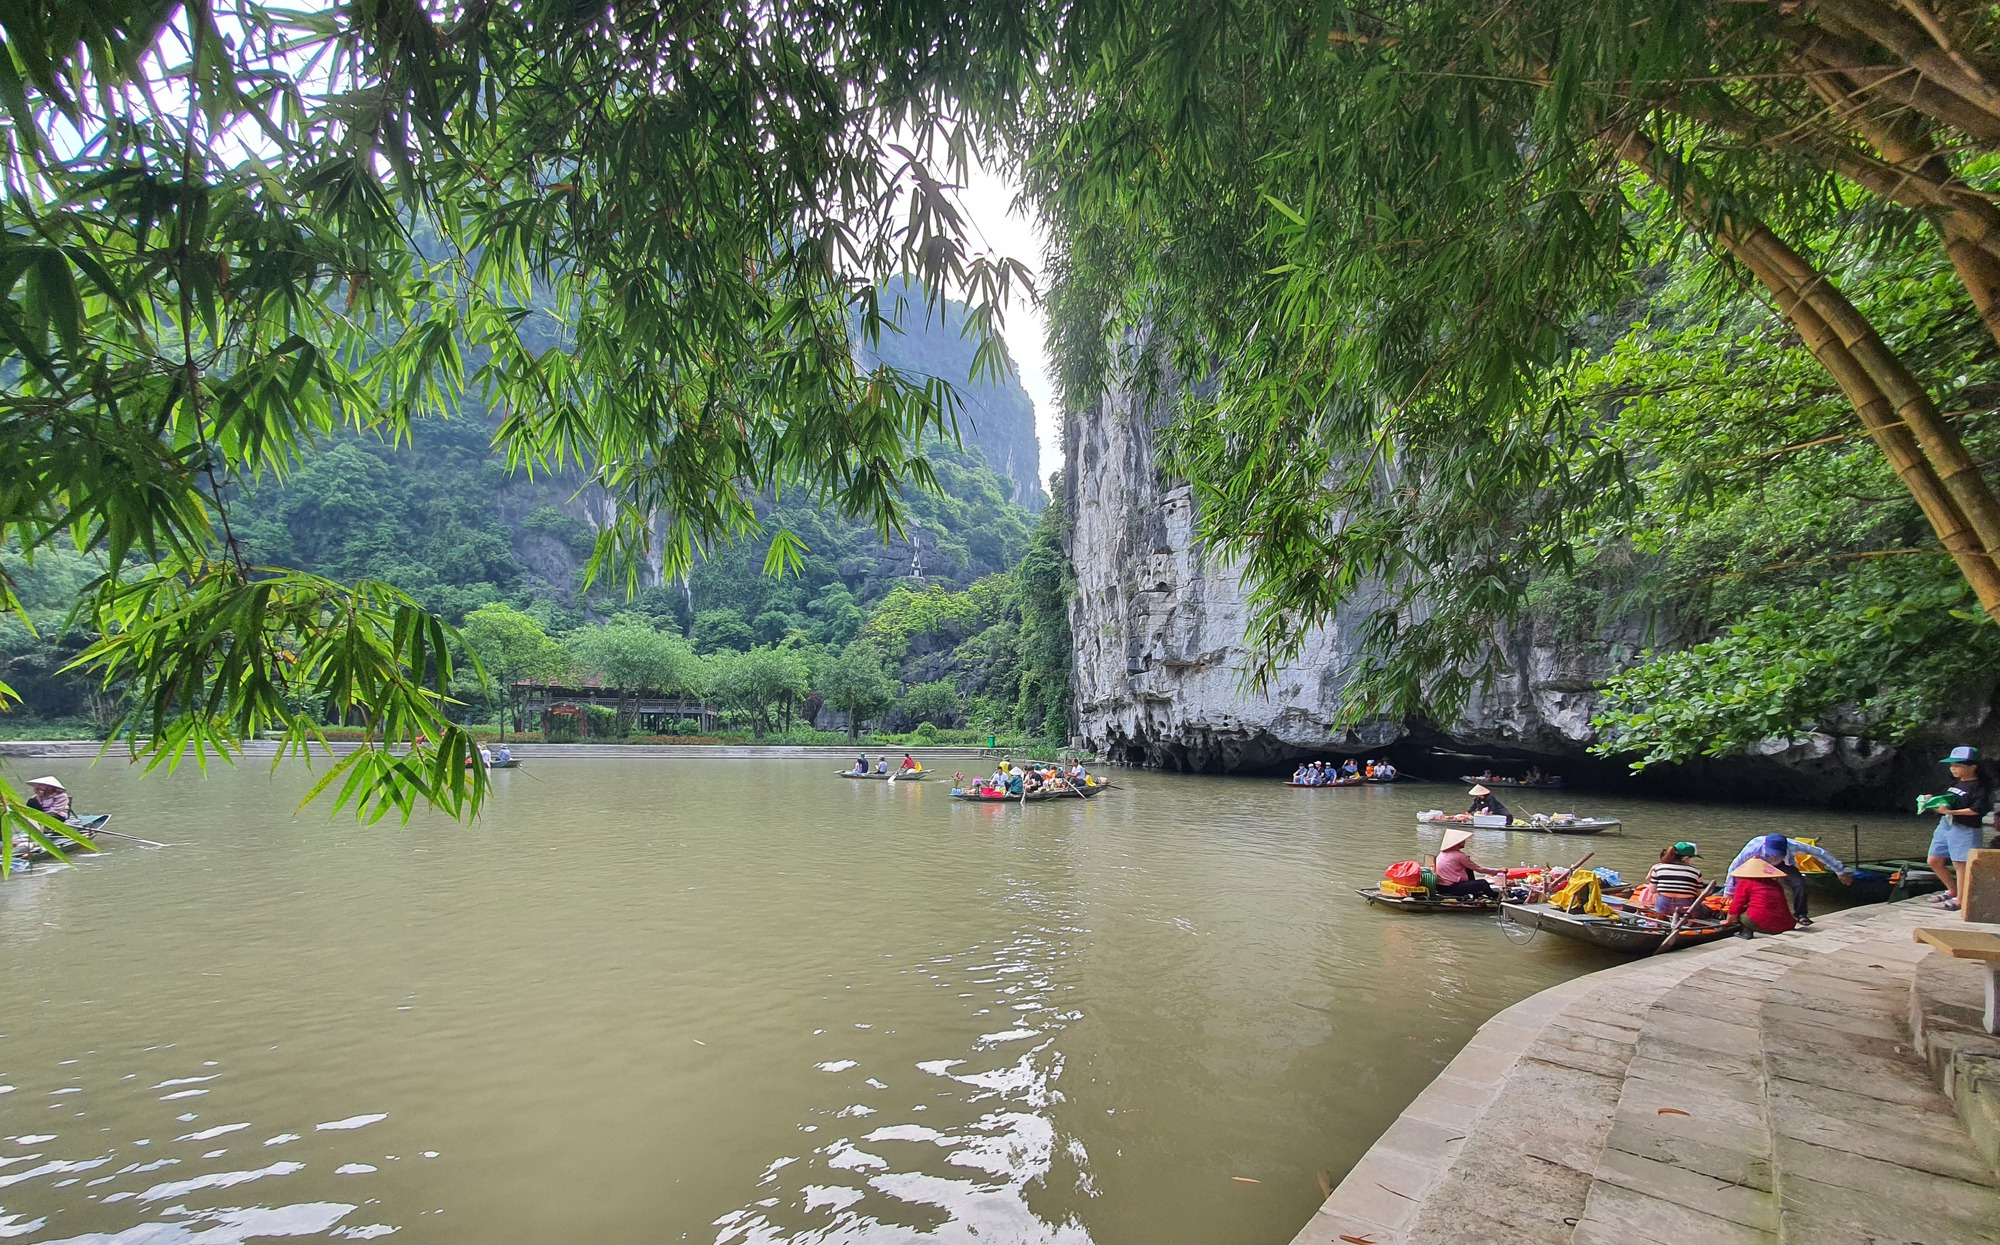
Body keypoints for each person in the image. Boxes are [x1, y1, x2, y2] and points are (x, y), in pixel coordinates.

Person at [1722, 833, 1851, 927]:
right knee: (1748, 887)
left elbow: (1819, 853)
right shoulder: (1753, 848)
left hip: (1784, 864)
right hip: (1758, 863)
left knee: (1799, 883)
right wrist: (1729, 890)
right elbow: (1734, 867)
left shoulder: (1793, 846)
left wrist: (1840, 871)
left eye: (1778, 853)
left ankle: (1800, 914)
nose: (1774, 855)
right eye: (1772, 852)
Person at [1924, 745, 1990, 913]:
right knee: (1934, 859)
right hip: (1946, 824)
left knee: (1961, 864)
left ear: (1973, 767)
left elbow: (1977, 810)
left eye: (1957, 765)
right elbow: (1947, 798)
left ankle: (1960, 900)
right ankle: (1952, 890)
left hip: (1966, 828)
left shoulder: (1980, 786)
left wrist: (1951, 811)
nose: (1953, 768)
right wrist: (1932, 800)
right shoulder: (1954, 781)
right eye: (1952, 765)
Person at [1725, 857, 1796, 937]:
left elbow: (1736, 904)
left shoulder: (1745, 883)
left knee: (1741, 915)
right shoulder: (1775, 884)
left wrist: (1728, 921)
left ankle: (1746, 932)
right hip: (1785, 923)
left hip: (1764, 922)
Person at [1433, 827, 1503, 898]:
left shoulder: (1441, 854)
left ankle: (1476, 893)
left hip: (1440, 887)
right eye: (1462, 841)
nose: (1464, 842)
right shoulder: (1459, 856)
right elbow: (1479, 869)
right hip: (1450, 888)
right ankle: (1497, 897)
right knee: (1483, 883)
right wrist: (1498, 871)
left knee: (1469, 869)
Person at [1646, 842, 1705, 916]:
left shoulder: (1659, 868)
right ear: (1686, 858)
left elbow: (1652, 890)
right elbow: (1698, 894)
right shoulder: (1696, 872)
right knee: (1705, 909)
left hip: (1663, 907)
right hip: (1685, 909)